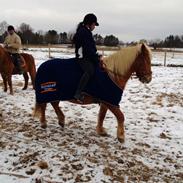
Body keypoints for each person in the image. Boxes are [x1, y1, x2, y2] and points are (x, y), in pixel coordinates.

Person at [73, 13, 103, 103]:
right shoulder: (83, 32)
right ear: (89, 23)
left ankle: (95, 92)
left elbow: (91, 48)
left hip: (87, 56)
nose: (94, 27)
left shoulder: (87, 32)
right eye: (94, 24)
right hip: (82, 58)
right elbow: (87, 50)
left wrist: (97, 56)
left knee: (99, 69)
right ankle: (78, 93)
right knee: (89, 70)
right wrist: (96, 58)